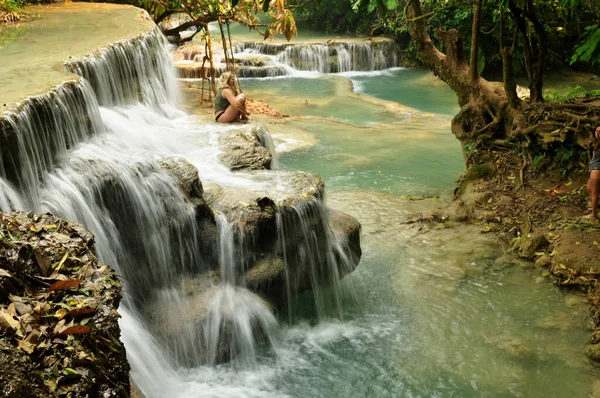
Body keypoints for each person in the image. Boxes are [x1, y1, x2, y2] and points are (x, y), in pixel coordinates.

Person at [584, 125, 600, 220]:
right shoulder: (598, 142)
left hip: (597, 169)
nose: (597, 133)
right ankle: (595, 206)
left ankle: (593, 215)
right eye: (596, 131)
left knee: (594, 192)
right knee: (589, 188)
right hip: (594, 168)